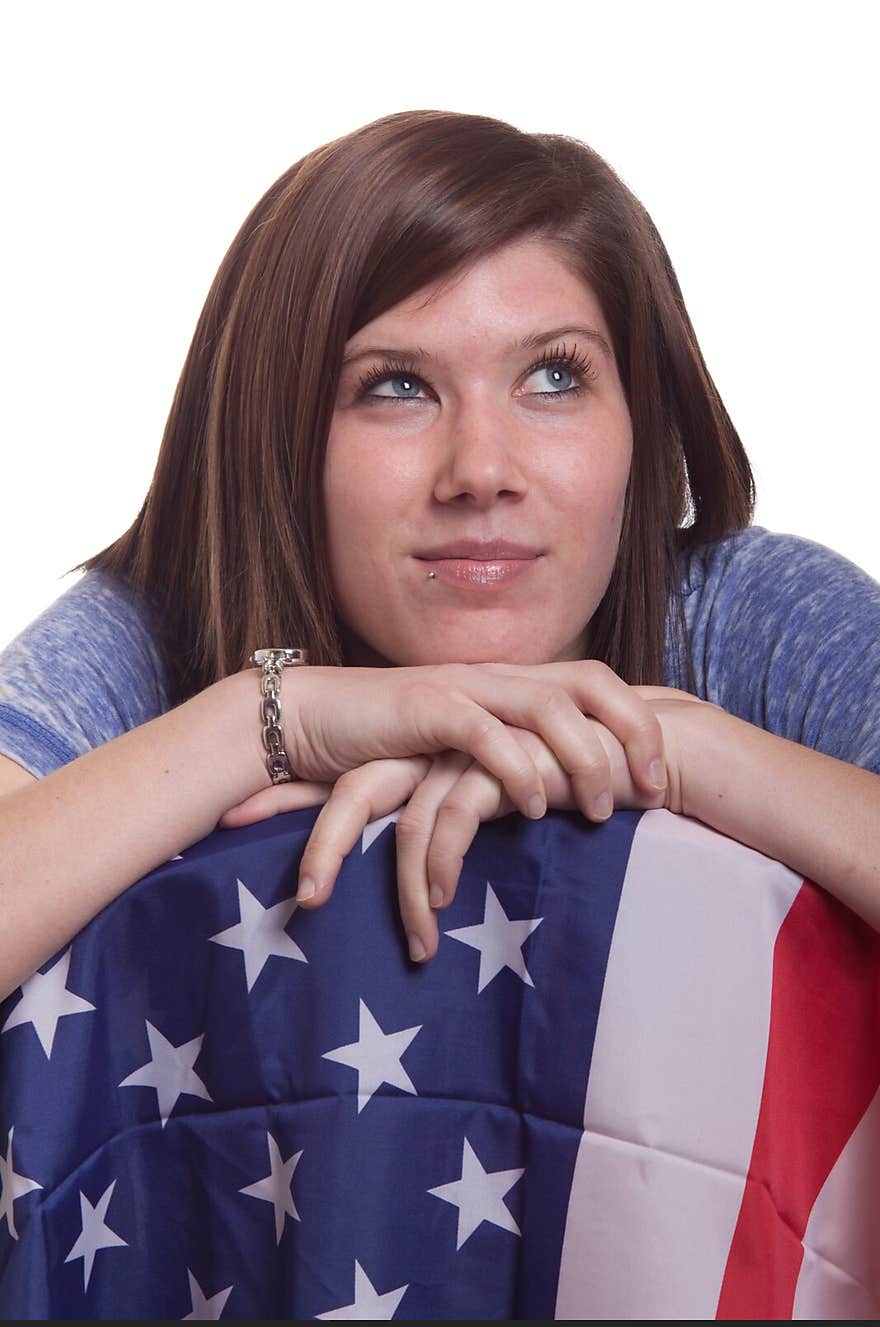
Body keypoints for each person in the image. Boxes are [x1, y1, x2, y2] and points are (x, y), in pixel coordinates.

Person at [0, 109, 878, 1004]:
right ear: (274, 441)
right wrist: (266, 723)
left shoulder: (745, 619)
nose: (482, 471)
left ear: (642, 424)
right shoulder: (152, 633)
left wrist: (675, 757)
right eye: (396, 387)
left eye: (553, 377)